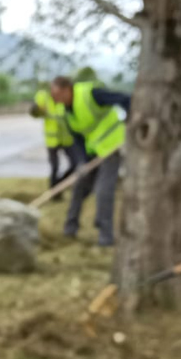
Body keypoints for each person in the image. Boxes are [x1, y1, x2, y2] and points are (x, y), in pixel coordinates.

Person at [49, 76, 130, 247]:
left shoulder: (90, 94)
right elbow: (77, 139)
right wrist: (82, 162)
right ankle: (70, 228)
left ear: (66, 90)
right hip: (93, 152)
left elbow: (125, 99)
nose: (54, 99)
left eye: (56, 94)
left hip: (112, 147)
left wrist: (131, 120)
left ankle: (105, 237)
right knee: (79, 187)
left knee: (103, 191)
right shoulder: (66, 111)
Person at [30, 88, 77, 199]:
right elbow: (36, 111)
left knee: (75, 164)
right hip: (52, 140)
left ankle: (58, 184)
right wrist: (36, 110)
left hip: (66, 139)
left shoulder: (64, 98)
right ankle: (55, 194)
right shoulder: (43, 95)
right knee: (54, 167)